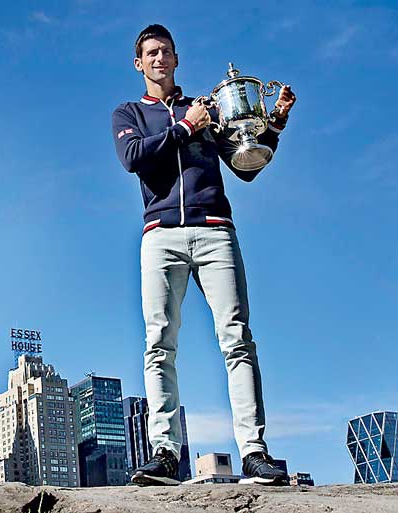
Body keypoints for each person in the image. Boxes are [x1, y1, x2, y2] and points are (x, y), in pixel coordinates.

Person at [111, 24, 296, 486]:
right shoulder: (129, 112)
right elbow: (135, 158)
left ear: (176, 59)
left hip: (215, 230)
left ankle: (254, 452)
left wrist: (274, 123)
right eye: (150, 53)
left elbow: (245, 166)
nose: (159, 59)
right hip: (160, 236)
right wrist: (182, 128)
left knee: (237, 339)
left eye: (166, 52)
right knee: (159, 346)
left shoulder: (209, 111)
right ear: (139, 63)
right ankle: (166, 454)